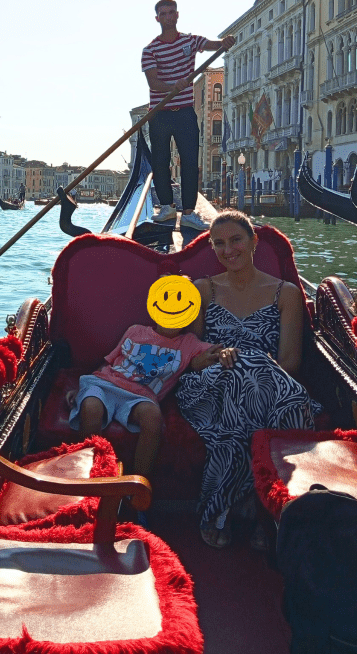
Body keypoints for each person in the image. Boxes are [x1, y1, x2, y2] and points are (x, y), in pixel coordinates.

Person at [176, 210, 315, 549]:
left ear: (254, 241)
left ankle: (222, 506)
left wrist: (248, 363)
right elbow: (194, 355)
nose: (228, 250)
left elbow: (290, 363)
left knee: (248, 371)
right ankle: (262, 507)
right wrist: (215, 357)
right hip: (207, 386)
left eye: (236, 240)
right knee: (241, 371)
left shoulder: (286, 294)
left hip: (268, 386)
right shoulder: (204, 290)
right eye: (219, 244)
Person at [69, 292, 235, 494]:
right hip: (105, 382)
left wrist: (225, 353)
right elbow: (108, 362)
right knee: (91, 406)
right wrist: (81, 391)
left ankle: (138, 488)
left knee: (153, 416)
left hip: (142, 395)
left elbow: (216, 352)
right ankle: (90, 479)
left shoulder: (189, 343)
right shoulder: (135, 331)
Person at [142, 0, 235, 231]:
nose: (167, 16)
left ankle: (190, 212)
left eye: (171, 12)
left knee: (190, 162)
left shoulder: (190, 41)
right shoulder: (150, 50)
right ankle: (166, 207)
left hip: (184, 112)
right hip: (160, 113)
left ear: (177, 15)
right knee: (160, 161)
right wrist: (173, 85)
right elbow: (153, 82)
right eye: (163, 13)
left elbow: (212, 44)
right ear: (157, 19)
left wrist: (225, 43)